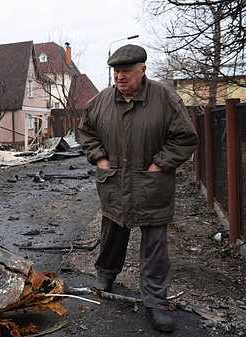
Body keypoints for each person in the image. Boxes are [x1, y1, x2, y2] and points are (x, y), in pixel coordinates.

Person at [78, 44, 198, 332]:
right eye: (116, 72)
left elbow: (185, 138)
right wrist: (100, 158)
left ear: (143, 70)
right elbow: (85, 131)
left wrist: (160, 164)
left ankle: (156, 301)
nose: (120, 77)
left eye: (127, 72)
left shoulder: (165, 99)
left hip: (151, 184)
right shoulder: (100, 101)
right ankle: (106, 274)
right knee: (112, 232)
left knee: (155, 245)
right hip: (114, 182)